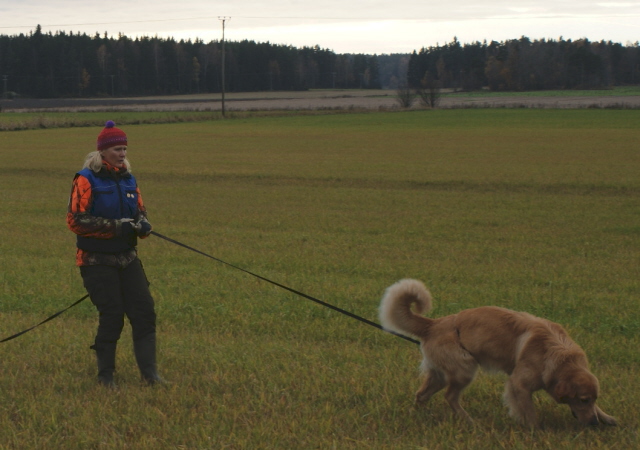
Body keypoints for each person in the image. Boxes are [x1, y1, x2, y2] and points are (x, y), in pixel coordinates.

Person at [67, 120, 162, 387]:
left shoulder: (129, 178)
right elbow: (75, 220)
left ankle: (150, 375)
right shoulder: (85, 179)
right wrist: (115, 227)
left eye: (125, 149)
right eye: (117, 149)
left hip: (127, 258)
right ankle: (105, 376)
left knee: (144, 312)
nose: (122, 154)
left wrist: (143, 224)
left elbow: (140, 211)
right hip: (95, 260)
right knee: (112, 314)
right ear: (102, 152)